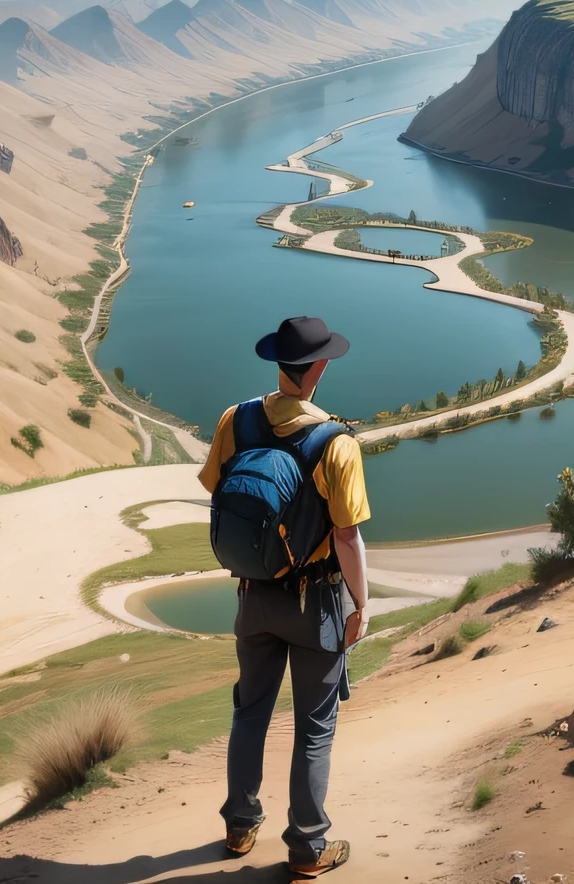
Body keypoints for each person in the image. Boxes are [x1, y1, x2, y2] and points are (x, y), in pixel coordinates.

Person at [200, 315, 371, 878]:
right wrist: (361, 605)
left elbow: (215, 487)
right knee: (314, 726)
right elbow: (346, 535)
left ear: (279, 363)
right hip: (315, 601)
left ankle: (240, 825)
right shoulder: (336, 443)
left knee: (250, 712)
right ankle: (306, 847)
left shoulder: (237, 419)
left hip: (253, 593)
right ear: (319, 368)